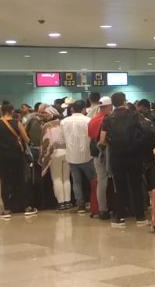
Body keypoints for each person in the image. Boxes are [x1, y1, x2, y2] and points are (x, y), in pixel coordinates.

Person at [100, 93, 149, 228]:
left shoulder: (108, 118)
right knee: (136, 186)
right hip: (134, 156)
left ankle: (119, 217)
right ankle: (140, 217)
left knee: (119, 188)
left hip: (117, 157)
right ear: (124, 101)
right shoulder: (135, 115)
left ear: (113, 103)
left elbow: (102, 140)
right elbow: (145, 131)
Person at [0, 102, 35, 220]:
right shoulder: (17, 123)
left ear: (1, 111)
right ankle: (26, 207)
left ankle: (7, 209)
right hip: (16, 156)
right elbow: (26, 139)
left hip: (1, 157)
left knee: (5, 181)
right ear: (12, 111)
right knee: (20, 180)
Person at [62, 101, 93, 212]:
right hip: (87, 155)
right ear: (84, 109)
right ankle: (93, 203)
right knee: (92, 180)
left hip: (71, 155)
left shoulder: (64, 122)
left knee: (76, 182)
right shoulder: (88, 120)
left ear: (72, 109)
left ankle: (80, 205)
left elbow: (62, 138)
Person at [39, 108, 71, 210]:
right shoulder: (65, 123)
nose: (44, 116)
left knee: (57, 178)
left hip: (55, 153)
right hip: (68, 152)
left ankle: (61, 203)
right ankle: (68, 201)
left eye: (45, 114)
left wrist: (42, 157)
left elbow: (45, 143)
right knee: (66, 178)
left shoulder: (47, 126)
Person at [88, 95, 113, 219]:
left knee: (101, 181)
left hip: (95, 153)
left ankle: (102, 209)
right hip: (106, 152)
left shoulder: (93, 119)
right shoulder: (108, 119)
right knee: (111, 180)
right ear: (109, 106)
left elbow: (90, 136)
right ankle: (112, 207)